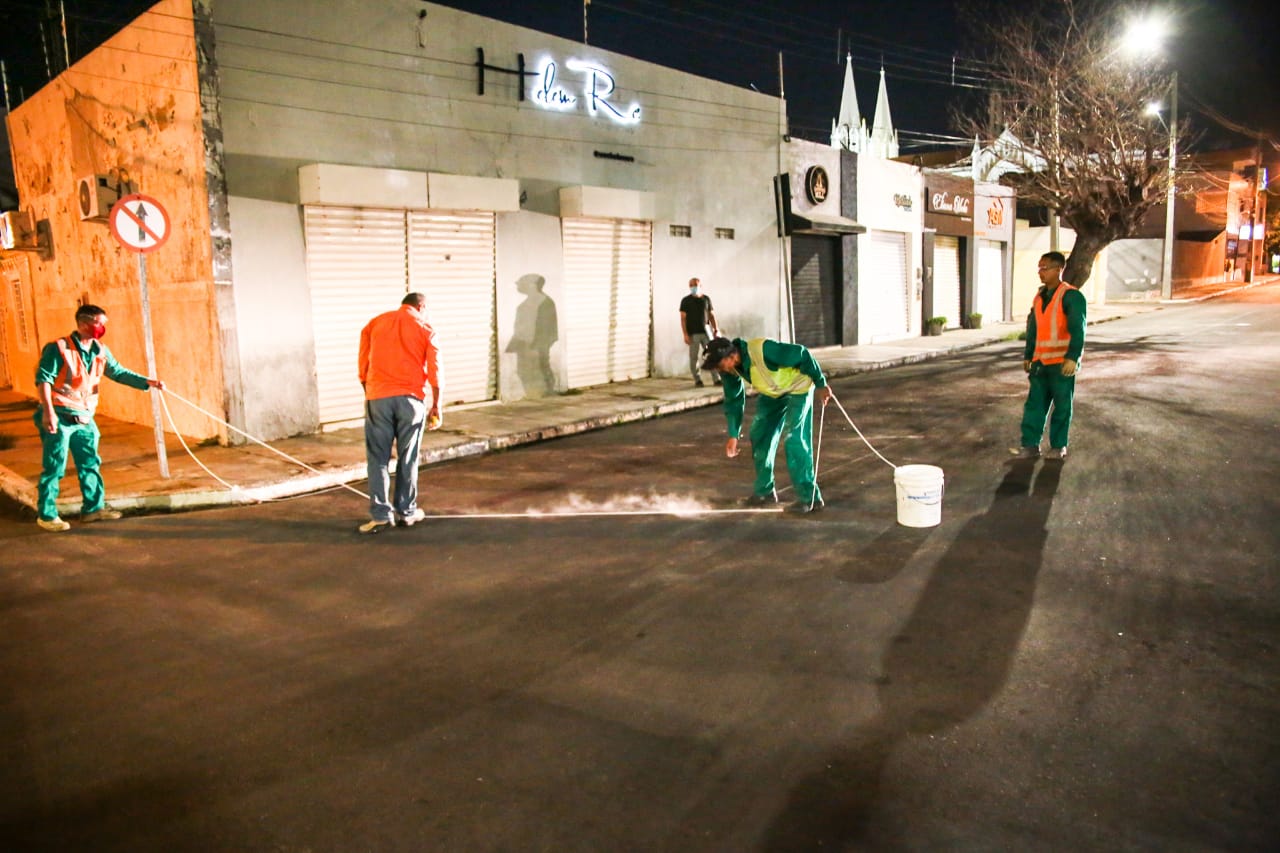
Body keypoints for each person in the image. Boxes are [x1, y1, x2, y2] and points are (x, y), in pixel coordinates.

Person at [32, 304, 164, 532]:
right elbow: (43, 379)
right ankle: (47, 515)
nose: (102, 327)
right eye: (98, 323)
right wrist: (48, 413)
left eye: (104, 323)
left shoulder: (101, 350)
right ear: (83, 323)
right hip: (60, 416)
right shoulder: (59, 348)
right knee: (55, 467)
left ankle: (93, 509)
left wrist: (147, 382)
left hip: (85, 418)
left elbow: (119, 372)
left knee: (90, 464)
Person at [702, 335, 832, 513]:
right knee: (760, 435)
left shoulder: (763, 350)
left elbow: (802, 354)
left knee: (794, 439)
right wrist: (733, 434)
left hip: (798, 389)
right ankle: (765, 492)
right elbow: (734, 400)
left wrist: (820, 383)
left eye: (719, 365)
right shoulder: (730, 370)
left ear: (730, 357)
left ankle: (810, 498)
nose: (718, 370)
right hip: (773, 395)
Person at [358, 292, 441, 534]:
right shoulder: (425, 327)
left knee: (378, 459)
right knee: (408, 458)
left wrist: (371, 392)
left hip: (378, 398)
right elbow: (436, 370)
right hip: (411, 401)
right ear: (421, 306)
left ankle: (381, 516)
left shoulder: (375, 323)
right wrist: (436, 405)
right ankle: (407, 512)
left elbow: (363, 365)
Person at [1014, 251, 1086, 461]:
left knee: (1062, 407)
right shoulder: (1039, 297)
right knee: (1034, 406)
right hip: (1040, 363)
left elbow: (1078, 329)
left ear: (1058, 269)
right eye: (1039, 267)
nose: (1040, 272)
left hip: (1061, 364)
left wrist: (1073, 358)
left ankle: (1058, 446)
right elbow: (1033, 328)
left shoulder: (1071, 296)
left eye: (1044, 268)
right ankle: (1030, 445)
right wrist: (1028, 355)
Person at [679, 277, 720, 387]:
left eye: (696, 285)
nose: (694, 287)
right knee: (694, 357)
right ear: (689, 287)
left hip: (707, 332)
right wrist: (685, 334)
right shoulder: (686, 301)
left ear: (700, 286)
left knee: (712, 355)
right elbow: (683, 319)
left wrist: (716, 329)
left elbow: (711, 315)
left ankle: (716, 378)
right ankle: (697, 379)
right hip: (693, 334)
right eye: (692, 285)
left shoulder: (706, 299)